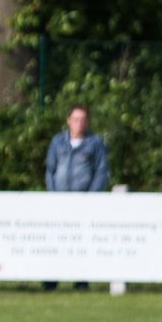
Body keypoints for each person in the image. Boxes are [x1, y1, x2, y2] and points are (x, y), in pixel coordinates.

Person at [44, 103, 109, 291]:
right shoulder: (57, 142)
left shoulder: (95, 143)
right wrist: (53, 195)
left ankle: (81, 281)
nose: (79, 123)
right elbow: (50, 170)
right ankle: (51, 280)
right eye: (76, 119)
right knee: (55, 242)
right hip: (60, 201)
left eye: (82, 119)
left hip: (84, 202)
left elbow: (101, 172)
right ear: (68, 121)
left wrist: (90, 198)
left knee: (82, 242)